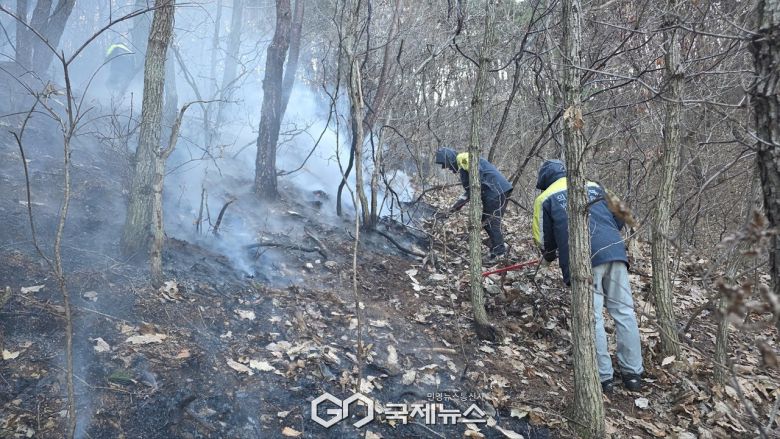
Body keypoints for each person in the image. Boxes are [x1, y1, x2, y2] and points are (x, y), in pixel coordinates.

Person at [532, 159, 643, 392]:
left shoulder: (545, 198)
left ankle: (604, 378)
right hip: (614, 252)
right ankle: (633, 374)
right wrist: (608, 236)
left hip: (583, 260)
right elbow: (625, 215)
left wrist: (549, 256)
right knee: (624, 312)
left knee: (593, 317)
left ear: (545, 181)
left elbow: (545, 241)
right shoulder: (594, 185)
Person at [434, 147, 513, 263]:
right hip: (499, 189)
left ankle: (499, 252)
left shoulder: (463, 158)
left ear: (450, 159)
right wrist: (453, 209)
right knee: (487, 221)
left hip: (496, 190)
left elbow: (475, 180)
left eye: (447, 165)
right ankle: (498, 247)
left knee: (491, 222)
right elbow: (470, 191)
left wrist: (453, 209)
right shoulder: (463, 165)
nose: (448, 169)